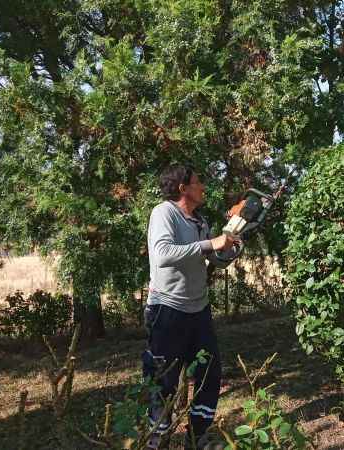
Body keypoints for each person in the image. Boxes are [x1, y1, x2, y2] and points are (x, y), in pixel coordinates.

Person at [143, 165, 238, 450]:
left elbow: (216, 260)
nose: (203, 188)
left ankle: (197, 438)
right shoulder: (164, 213)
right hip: (167, 309)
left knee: (209, 374)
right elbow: (162, 254)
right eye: (198, 183)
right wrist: (211, 242)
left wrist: (232, 246)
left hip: (199, 310)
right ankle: (157, 440)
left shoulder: (199, 221)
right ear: (183, 188)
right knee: (163, 380)